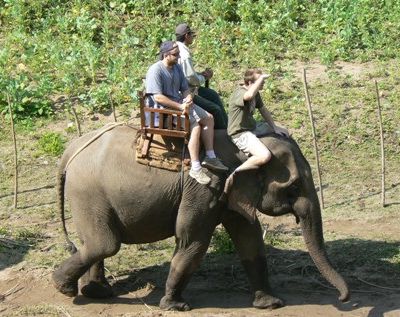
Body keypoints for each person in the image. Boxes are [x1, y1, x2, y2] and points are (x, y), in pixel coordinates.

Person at [145, 40, 228, 185]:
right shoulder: (155, 70)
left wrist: (188, 97)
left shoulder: (176, 68)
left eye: (178, 54)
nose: (178, 57)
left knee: (209, 118)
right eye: (175, 54)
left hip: (181, 104)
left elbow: (184, 88)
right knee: (195, 125)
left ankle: (210, 156)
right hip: (163, 110)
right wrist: (180, 106)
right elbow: (158, 97)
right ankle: (195, 167)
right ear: (165, 55)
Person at [224, 68, 289, 194]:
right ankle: (235, 174)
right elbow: (248, 96)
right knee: (264, 156)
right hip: (240, 133)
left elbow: (263, 110)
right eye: (259, 82)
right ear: (249, 83)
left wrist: (275, 127)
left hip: (253, 127)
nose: (263, 84)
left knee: (285, 131)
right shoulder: (240, 93)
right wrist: (261, 79)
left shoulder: (256, 93)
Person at [175, 23, 228, 129]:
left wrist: (200, 74)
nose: (193, 38)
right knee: (215, 109)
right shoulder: (184, 54)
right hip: (186, 92)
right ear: (186, 36)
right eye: (192, 35)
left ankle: (227, 125)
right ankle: (221, 133)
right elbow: (190, 78)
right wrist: (204, 77)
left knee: (213, 95)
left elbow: (186, 73)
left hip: (188, 88)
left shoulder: (177, 47)